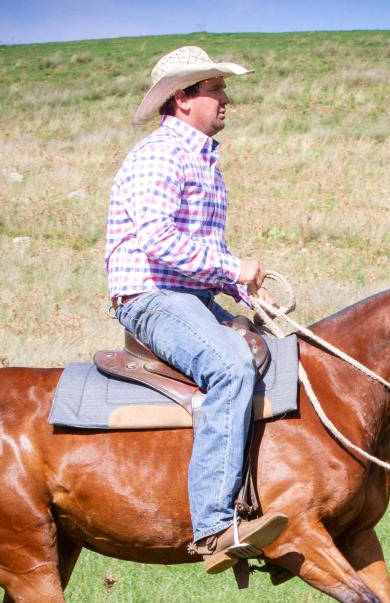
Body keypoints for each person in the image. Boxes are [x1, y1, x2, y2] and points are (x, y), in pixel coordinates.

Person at [105, 46, 287, 574]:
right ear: (182, 99)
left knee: (276, 355)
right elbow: (159, 240)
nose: (226, 98)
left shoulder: (203, 161)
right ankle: (213, 526)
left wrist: (248, 294)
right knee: (230, 367)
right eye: (215, 89)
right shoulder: (160, 155)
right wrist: (235, 269)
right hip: (150, 296)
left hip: (191, 296)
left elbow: (202, 254)